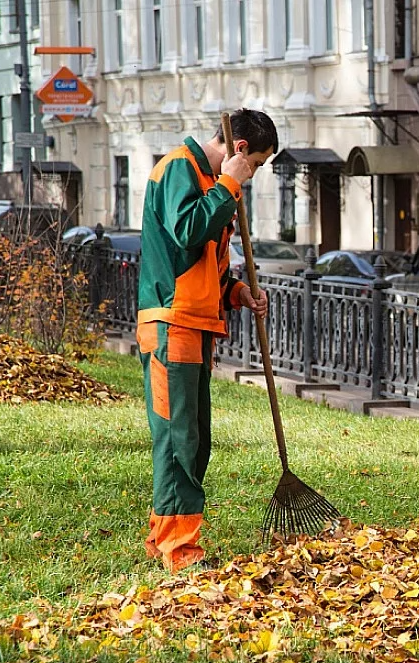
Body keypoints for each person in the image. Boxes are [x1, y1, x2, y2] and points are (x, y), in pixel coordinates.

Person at [136, 109, 277, 572]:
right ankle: (181, 551)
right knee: (180, 439)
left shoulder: (212, 185)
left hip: (194, 326)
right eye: (254, 164)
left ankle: (164, 538)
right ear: (239, 149)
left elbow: (205, 267)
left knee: (194, 440)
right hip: (170, 324)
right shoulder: (180, 167)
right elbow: (186, 230)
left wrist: (238, 293)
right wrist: (229, 186)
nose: (252, 175)